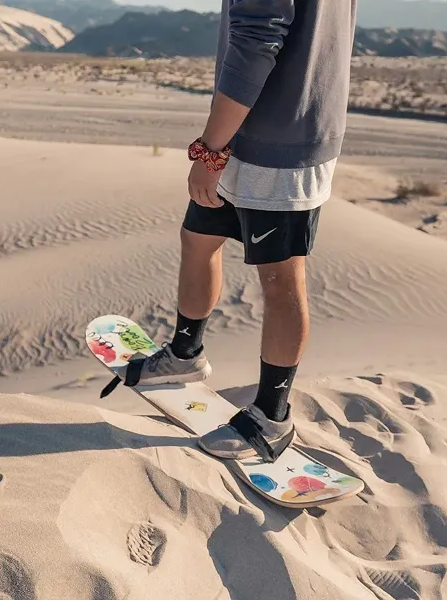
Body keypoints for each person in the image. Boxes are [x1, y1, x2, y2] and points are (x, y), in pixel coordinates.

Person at [113, 1, 358, 463]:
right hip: (250, 134)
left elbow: (256, 41)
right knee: (198, 238)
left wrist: (210, 150)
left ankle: (272, 417)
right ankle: (185, 356)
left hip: (280, 147)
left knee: (281, 279)